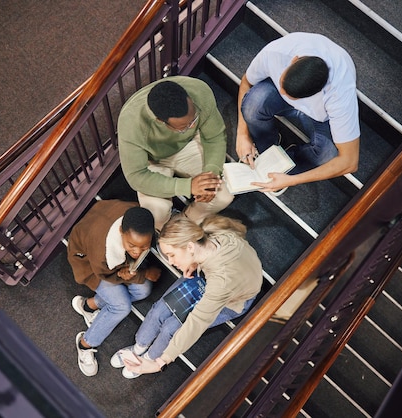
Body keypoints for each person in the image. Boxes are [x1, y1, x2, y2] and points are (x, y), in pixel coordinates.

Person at [110, 213, 263, 378]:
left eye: (172, 255)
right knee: (159, 310)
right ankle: (138, 347)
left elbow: (196, 323)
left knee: (172, 327)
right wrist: (195, 262)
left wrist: (158, 363)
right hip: (208, 274)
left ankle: (149, 357)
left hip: (231, 300)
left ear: (190, 247)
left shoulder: (221, 283)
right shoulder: (206, 238)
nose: (170, 261)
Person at [236, 32, 361, 194]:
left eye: (291, 95)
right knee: (253, 103)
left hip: (321, 117)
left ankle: (286, 165)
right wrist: (242, 134)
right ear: (294, 60)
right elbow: (246, 81)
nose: (282, 91)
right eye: (282, 83)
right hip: (292, 93)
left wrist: (293, 180)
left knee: (327, 153)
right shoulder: (276, 52)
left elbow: (350, 161)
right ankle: (267, 147)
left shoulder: (339, 94)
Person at [118, 76, 234, 231]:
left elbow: (214, 137)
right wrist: (188, 186)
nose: (192, 124)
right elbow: (136, 176)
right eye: (185, 126)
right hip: (152, 161)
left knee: (224, 193)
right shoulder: (131, 123)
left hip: (188, 145)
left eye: (194, 120)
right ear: (160, 121)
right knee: (155, 215)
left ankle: (184, 223)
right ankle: (166, 229)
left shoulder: (199, 91)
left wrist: (210, 175)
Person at [67, 199, 162, 377]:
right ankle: (85, 343)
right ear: (121, 232)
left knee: (143, 290)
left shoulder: (136, 215)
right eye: (132, 246)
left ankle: (90, 306)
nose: (137, 252)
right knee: (121, 307)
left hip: (111, 260)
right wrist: (136, 273)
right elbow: (105, 274)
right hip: (89, 264)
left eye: (144, 246)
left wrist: (136, 272)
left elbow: (134, 252)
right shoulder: (102, 252)